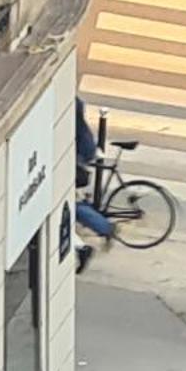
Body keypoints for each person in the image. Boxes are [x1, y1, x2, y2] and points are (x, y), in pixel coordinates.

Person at [73, 98, 114, 269]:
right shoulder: (75, 103)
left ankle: (103, 227)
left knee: (73, 204)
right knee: (72, 203)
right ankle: (81, 246)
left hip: (79, 155)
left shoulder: (70, 104)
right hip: (82, 151)